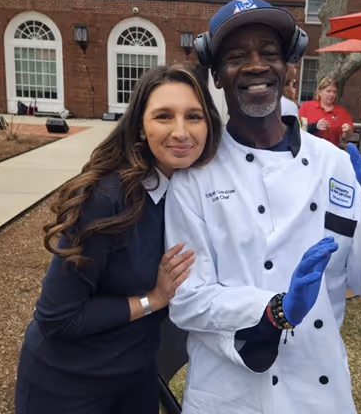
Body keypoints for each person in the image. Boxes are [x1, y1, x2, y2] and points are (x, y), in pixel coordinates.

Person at [165, 0, 361, 414]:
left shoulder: (337, 165)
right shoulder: (193, 178)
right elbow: (187, 301)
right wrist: (274, 309)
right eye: (237, 56)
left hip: (317, 389)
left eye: (270, 53)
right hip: (228, 391)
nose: (256, 65)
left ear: (289, 67)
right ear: (217, 75)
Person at [14, 64, 224, 414]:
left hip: (137, 376)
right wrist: (154, 298)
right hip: (68, 385)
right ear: (141, 127)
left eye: (194, 116)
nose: (181, 131)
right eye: (163, 117)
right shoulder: (108, 199)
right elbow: (58, 317)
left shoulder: (198, 193)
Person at [298, 77, 354, 147]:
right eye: (328, 91)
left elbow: (346, 136)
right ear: (319, 92)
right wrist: (315, 126)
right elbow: (299, 129)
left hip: (330, 151)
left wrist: (348, 130)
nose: (332, 95)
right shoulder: (307, 107)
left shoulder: (341, 112)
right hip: (309, 149)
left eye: (334, 92)